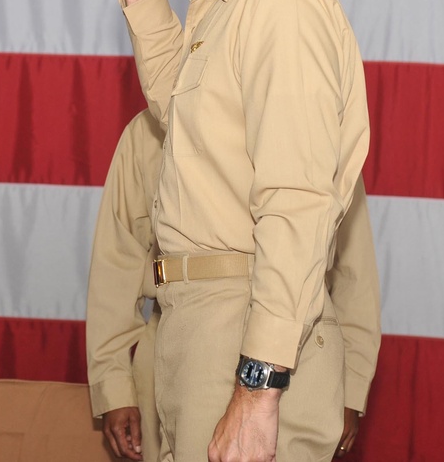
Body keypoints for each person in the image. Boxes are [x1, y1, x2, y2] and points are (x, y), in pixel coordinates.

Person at [92, 0, 371, 461]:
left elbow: (296, 207)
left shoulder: (279, 1)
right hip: (199, 332)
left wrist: (259, 385)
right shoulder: (226, 4)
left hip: (243, 335)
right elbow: (183, 124)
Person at [85, 110, 381, 461]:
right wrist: (114, 388)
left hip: (302, 349)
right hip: (175, 344)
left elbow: (353, 273)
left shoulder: (316, 127)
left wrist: (352, 387)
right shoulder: (151, 129)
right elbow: (117, 264)